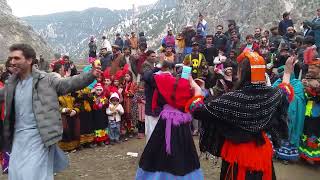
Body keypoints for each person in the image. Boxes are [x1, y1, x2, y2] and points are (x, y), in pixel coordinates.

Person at [0, 43, 101, 180]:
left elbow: (68, 83)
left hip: (40, 136)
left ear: (29, 60)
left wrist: (90, 75)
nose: (12, 62)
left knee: (33, 174)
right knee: (16, 174)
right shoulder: (12, 84)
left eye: (17, 58)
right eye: (11, 58)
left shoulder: (46, 79)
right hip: (18, 138)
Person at [193, 51, 296, 180]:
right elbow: (285, 91)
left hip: (237, 154)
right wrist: (287, 72)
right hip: (262, 152)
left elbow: (198, 111)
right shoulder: (272, 95)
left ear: (241, 72)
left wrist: (198, 92)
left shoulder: (231, 99)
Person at [136, 60, 204, 180]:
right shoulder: (190, 87)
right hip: (181, 125)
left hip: (165, 122)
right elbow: (197, 102)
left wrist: (157, 67)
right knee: (182, 151)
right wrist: (194, 83)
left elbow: (146, 76)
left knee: (157, 150)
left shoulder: (166, 81)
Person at [273, 66, 306, 162]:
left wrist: (290, 99)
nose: (282, 75)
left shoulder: (297, 84)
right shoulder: (277, 82)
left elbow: (300, 99)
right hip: (277, 115)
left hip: (291, 116)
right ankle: (275, 152)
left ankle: (285, 156)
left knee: (287, 134)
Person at [299, 58, 320, 164]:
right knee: (305, 130)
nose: (310, 69)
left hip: (316, 111)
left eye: (313, 67)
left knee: (313, 132)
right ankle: (304, 154)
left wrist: (312, 91)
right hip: (306, 109)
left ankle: (312, 155)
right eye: (310, 67)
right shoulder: (307, 78)